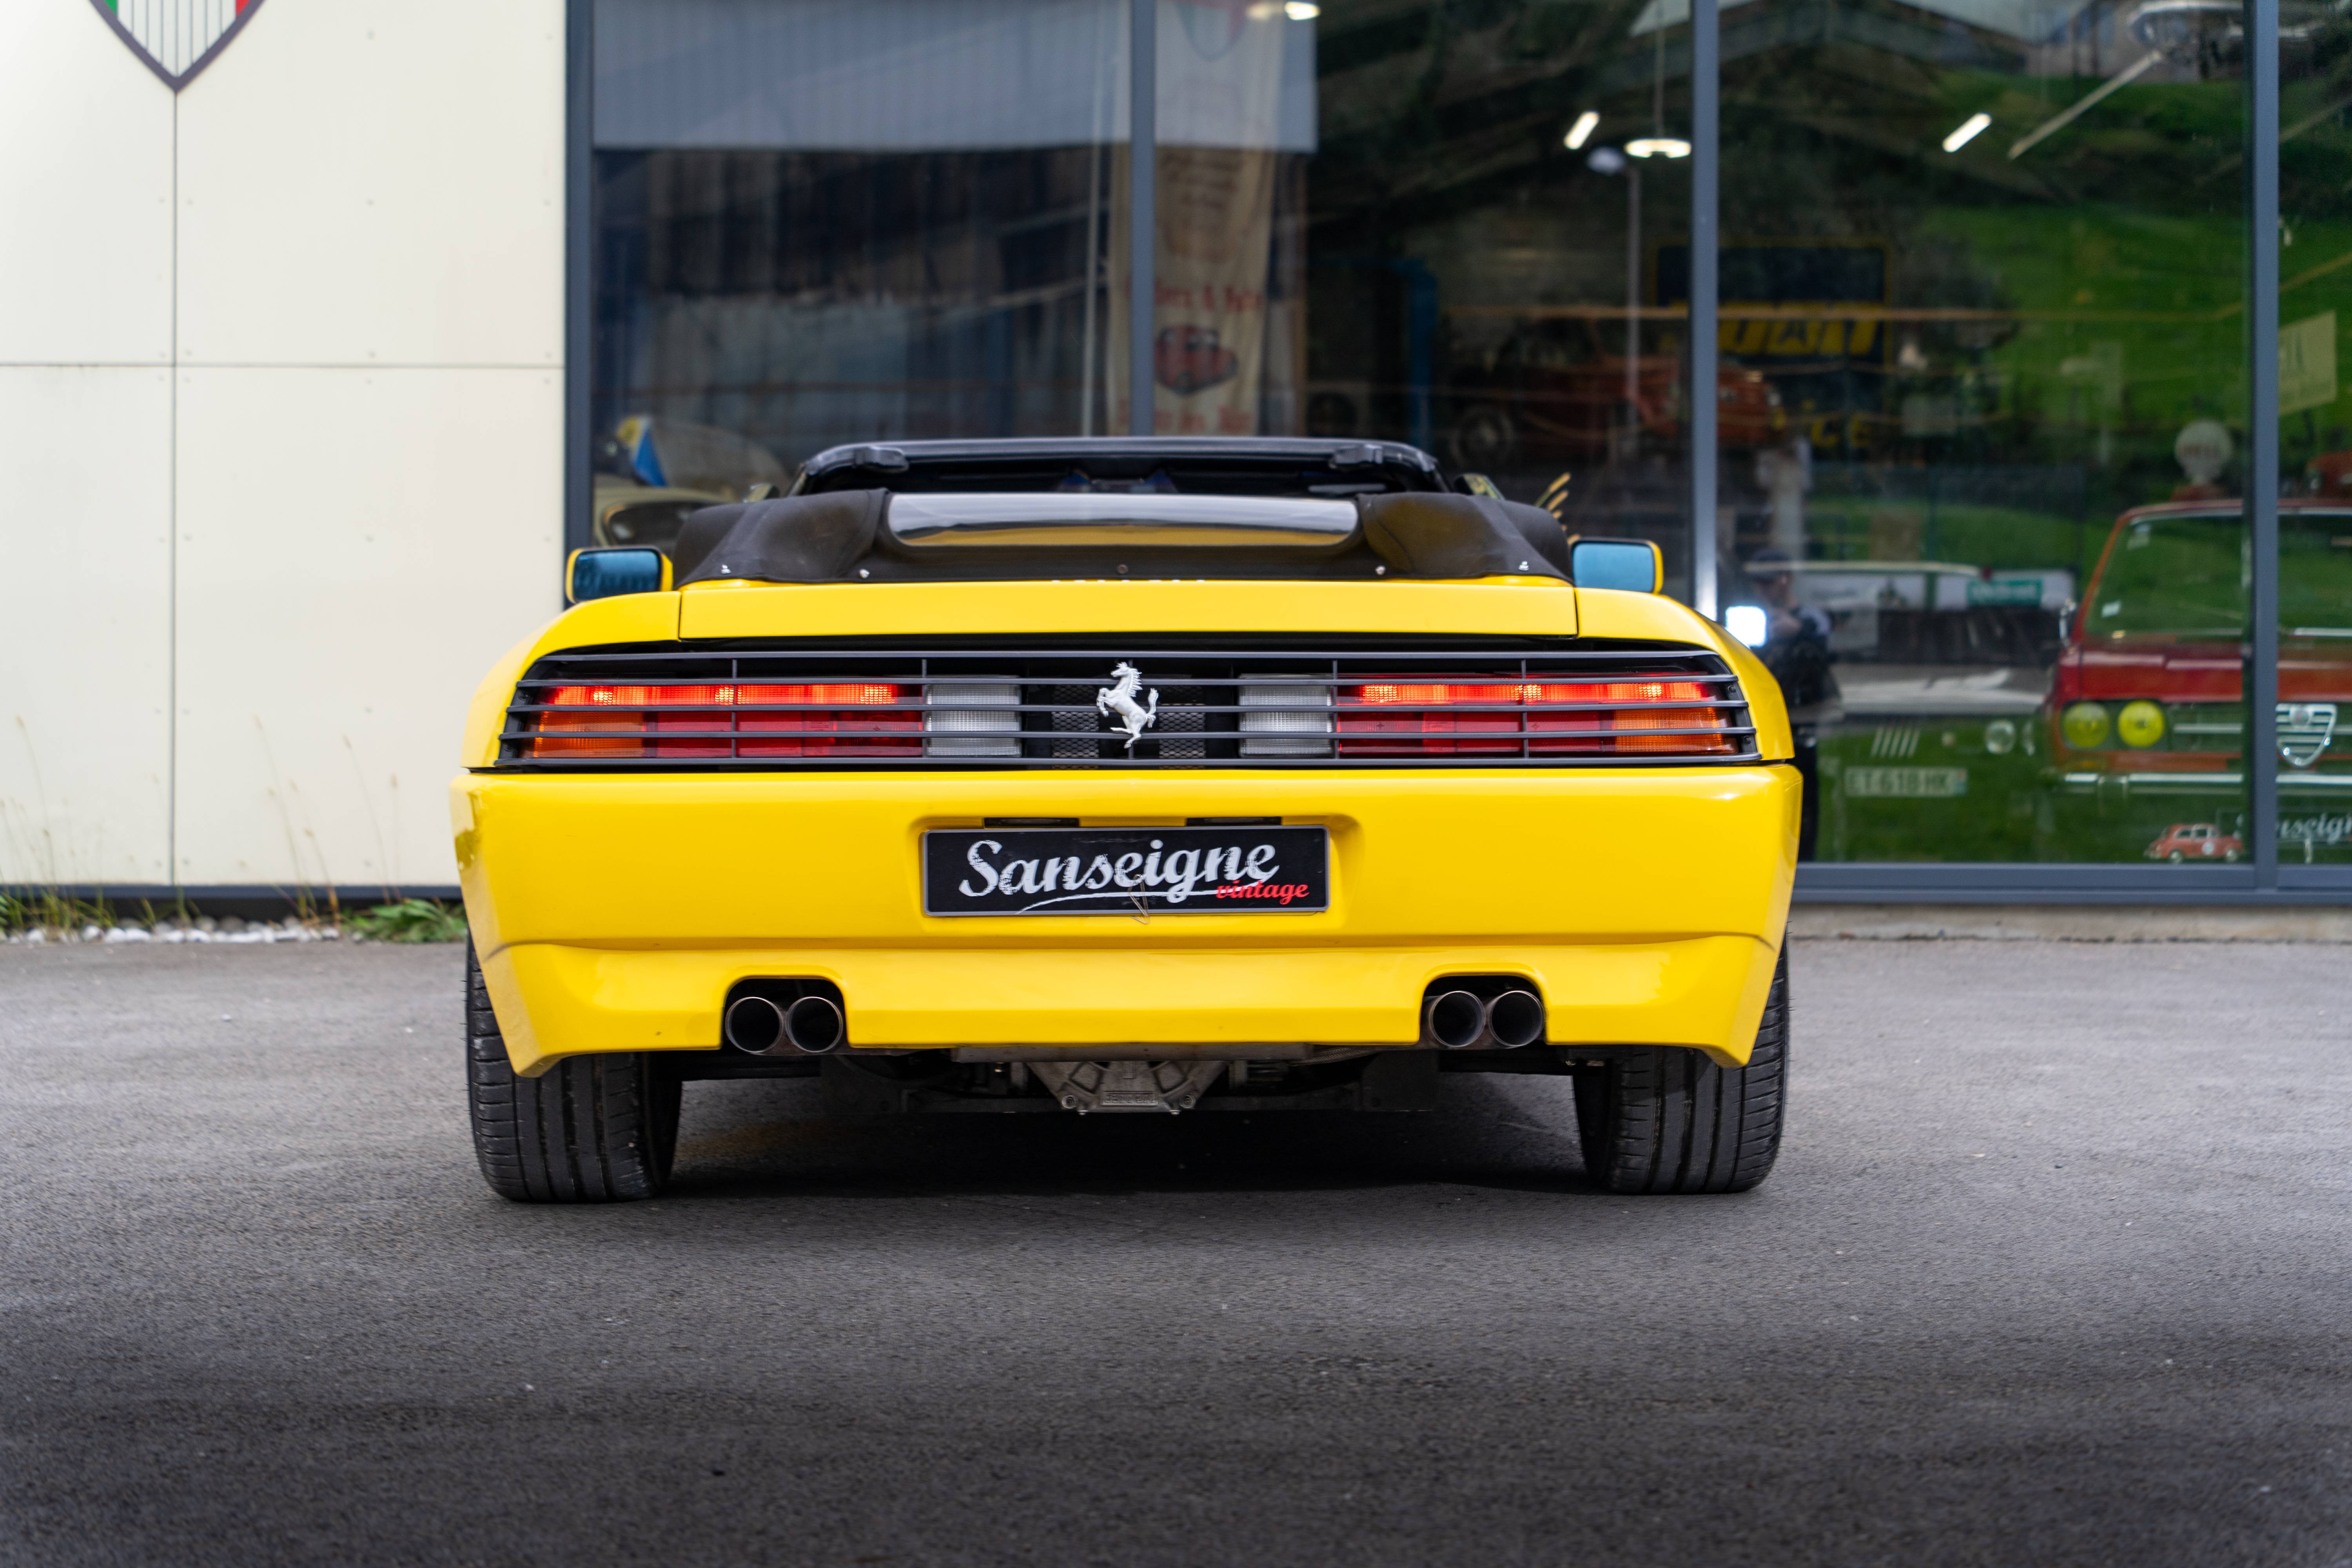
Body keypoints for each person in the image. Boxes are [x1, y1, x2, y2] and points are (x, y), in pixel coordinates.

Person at [1746, 548, 1837, 860]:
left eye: (1769, 583)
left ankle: (1805, 863)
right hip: (1763, 724)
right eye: (1759, 583)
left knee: (1804, 804)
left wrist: (1798, 633)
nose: (1763, 590)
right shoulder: (1750, 617)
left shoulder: (1810, 620)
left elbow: (1825, 659)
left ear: (1786, 581)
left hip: (1801, 723)